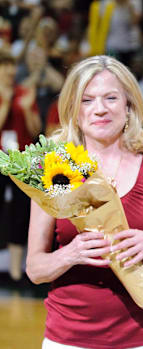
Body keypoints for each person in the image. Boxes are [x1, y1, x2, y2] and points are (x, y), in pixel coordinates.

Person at [25, 55, 143, 349]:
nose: (99, 109)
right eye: (87, 100)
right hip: (68, 340)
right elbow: (35, 269)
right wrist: (71, 254)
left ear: (129, 105)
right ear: (74, 111)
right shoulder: (53, 171)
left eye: (111, 98)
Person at [0, 48, 40, 282]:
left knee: (19, 212)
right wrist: (5, 100)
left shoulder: (25, 92)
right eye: (5, 66)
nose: (9, 71)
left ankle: (16, 271)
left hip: (21, 159)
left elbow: (36, 130)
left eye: (12, 66)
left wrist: (26, 108)